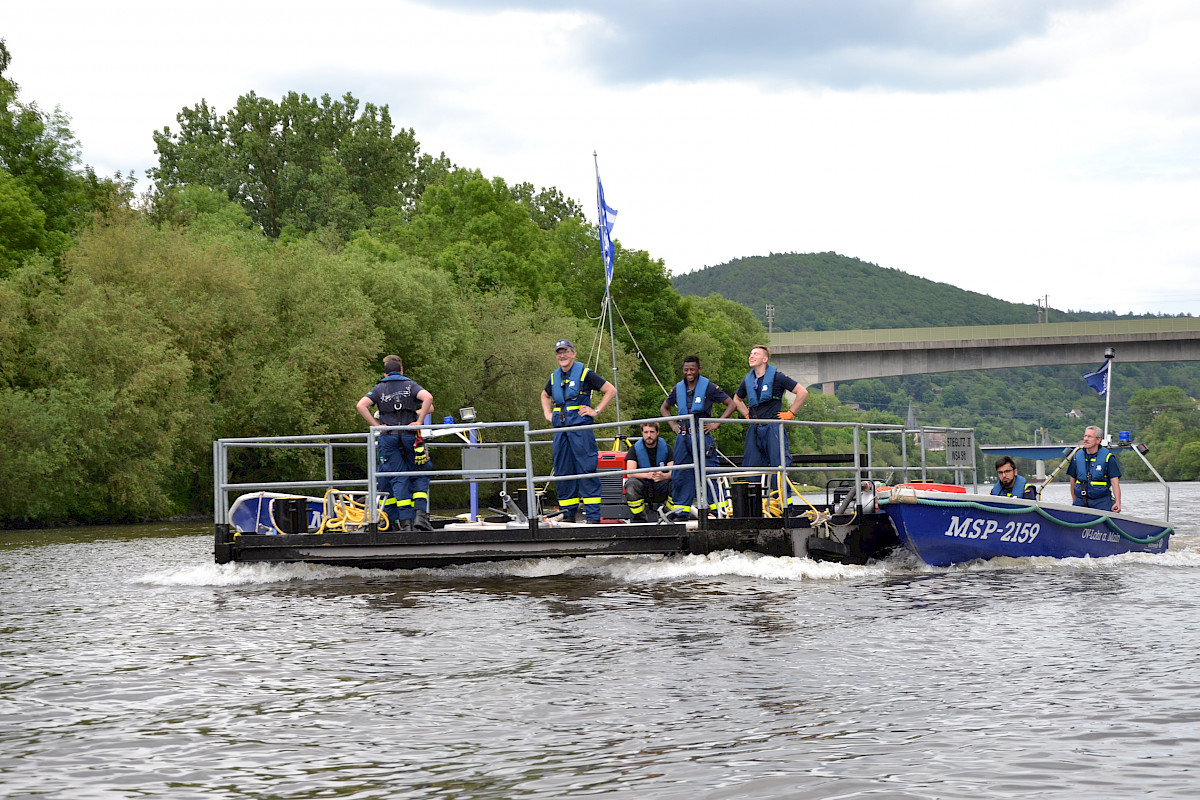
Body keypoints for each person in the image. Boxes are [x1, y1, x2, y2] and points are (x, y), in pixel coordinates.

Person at [540, 339, 617, 523]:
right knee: (563, 471)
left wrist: (595, 411)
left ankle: (592, 517)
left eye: (565, 351)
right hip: (561, 429)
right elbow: (544, 395)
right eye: (559, 352)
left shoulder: (585, 374)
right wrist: (548, 413)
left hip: (580, 429)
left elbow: (610, 390)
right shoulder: (554, 377)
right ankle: (568, 515)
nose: (562, 355)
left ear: (573, 353)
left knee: (586, 469)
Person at [356, 355, 435, 532]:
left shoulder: (379, 388)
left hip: (389, 436)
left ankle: (405, 522)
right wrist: (419, 421)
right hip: (411, 435)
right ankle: (421, 516)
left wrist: (376, 426)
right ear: (401, 371)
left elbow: (361, 405)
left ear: (385, 374)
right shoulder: (411, 385)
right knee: (421, 472)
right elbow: (428, 398)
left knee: (397, 476)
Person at [660, 355, 746, 518]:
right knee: (681, 475)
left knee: (709, 473)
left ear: (699, 369)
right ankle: (680, 513)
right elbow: (664, 408)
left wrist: (716, 424)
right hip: (683, 437)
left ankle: (716, 511)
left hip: (702, 436)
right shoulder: (678, 389)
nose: (689, 372)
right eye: (686, 370)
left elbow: (732, 404)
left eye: (692, 369)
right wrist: (673, 426)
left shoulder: (709, 387)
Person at [735, 344, 809, 474]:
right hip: (755, 428)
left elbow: (802, 392)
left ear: (765, 359)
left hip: (773, 427)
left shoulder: (778, 377)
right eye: (750, 354)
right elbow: (736, 399)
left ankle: (781, 494)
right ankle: (756, 494)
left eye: (755, 354)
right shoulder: (748, 380)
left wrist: (790, 413)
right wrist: (747, 414)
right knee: (751, 468)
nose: (751, 356)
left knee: (779, 465)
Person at [624, 422, 673, 522]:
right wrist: (647, 475)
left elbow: (673, 472)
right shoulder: (634, 449)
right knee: (631, 484)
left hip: (661, 485)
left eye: (652, 432)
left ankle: (667, 514)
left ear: (657, 432)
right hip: (643, 485)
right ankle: (639, 517)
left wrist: (664, 476)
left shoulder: (667, 448)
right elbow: (630, 473)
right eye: (646, 432)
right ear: (642, 433)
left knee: (677, 483)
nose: (649, 435)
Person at [1067, 425, 1122, 512]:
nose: (1086, 439)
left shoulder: (1108, 458)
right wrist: (1075, 501)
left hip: (1102, 502)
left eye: (1089, 437)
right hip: (1080, 501)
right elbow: (1072, 481)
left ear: (1098, 440)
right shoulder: (1076, 457)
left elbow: (1115, 482)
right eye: (1085, 436)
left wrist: (1118, 502)